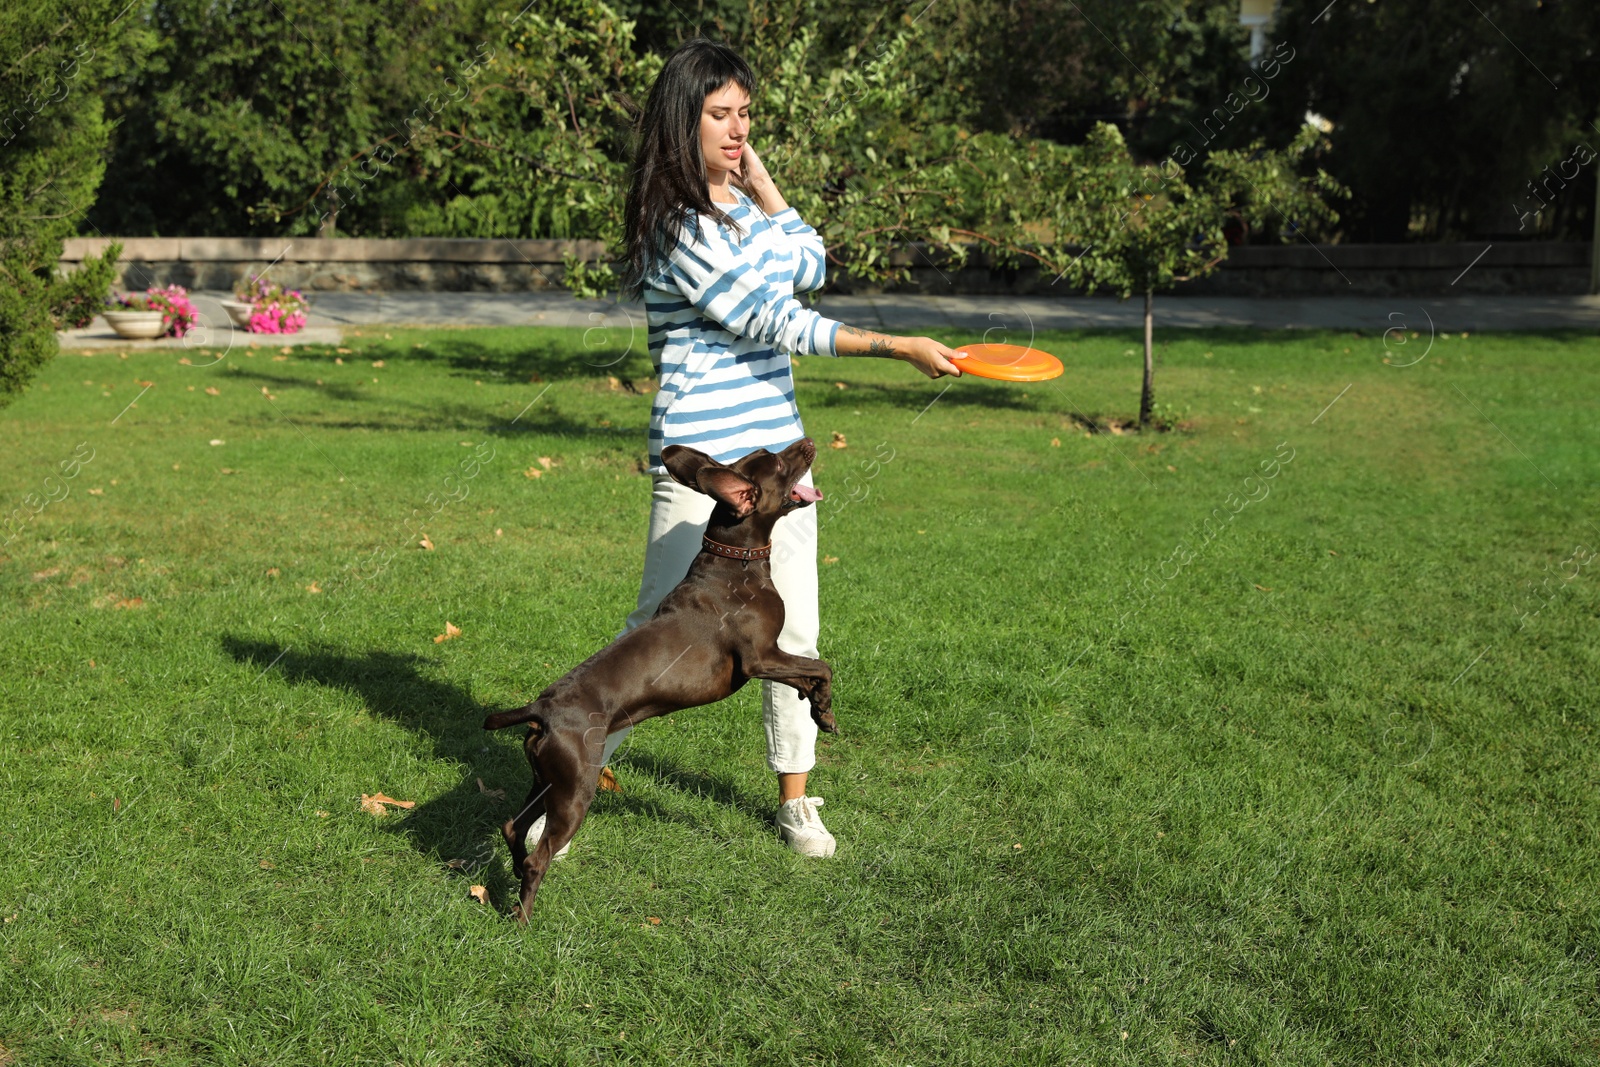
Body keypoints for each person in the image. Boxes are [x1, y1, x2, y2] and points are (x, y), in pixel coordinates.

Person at [584, 36, 966, 858]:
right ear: (681, 123)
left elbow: (810, 258)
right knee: (654, 637)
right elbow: (775, 316)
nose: (736, 129)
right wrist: (896, 348)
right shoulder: (676, 227)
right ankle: (566, 788)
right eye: (718, 116)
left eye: (745, 115)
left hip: (779, 466)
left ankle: (796, 800)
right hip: (705, 468)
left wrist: (759, 183)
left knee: (796, 634)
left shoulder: (740, 213)